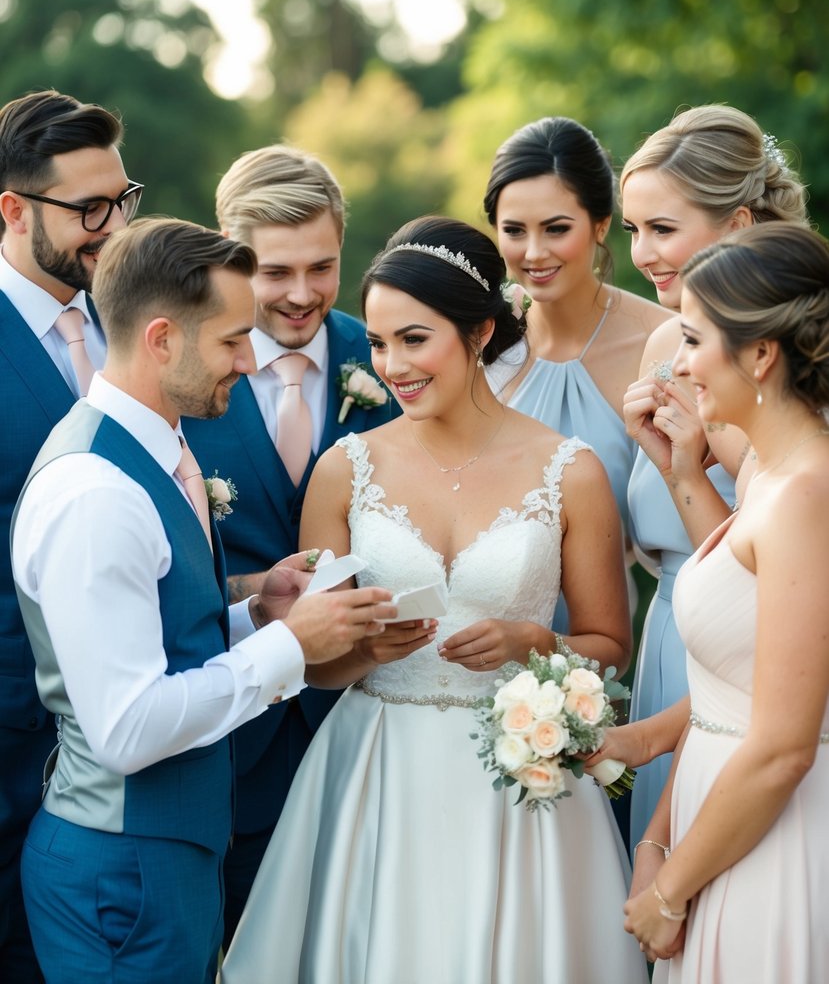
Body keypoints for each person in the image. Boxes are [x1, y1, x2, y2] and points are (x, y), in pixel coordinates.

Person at [222, 216, 648, 984]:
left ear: (480, 329)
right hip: (376, 775)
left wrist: (533, 643)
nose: (392, 366)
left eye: (414, 340)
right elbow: (317, 668)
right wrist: (357, 652)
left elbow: (610, 648)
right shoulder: (343, 469)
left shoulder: (569, 470)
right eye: (380, 344)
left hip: (521, 786)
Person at [11, 217, 396, 984]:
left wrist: (256, 612)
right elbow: (128, 727)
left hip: (162, 858)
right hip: (121, 875)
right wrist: (292, 647)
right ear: (161, 339)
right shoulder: (97, 494)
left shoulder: (158, 451)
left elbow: (152, 636)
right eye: (229, 341)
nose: (250, 361)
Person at [183, 144, 398, 944]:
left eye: (323, 266)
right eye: (275, 273)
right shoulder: (180, 372)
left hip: (370, 726)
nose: (302, 295)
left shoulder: (390, 355)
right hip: (234, 741)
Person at [623, 222, 829, 980]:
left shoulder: (807, 492)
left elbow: (780, 746)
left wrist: (668, 894)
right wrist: (678, 467)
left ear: (760, 354)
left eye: (691, 340)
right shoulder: (768, 476)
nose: (677, 366)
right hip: (722, 823)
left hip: (773, 837)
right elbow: (744, 647)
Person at [618, 105, 808, 849]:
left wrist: (692, 470)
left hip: (754, 664)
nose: (641, 253)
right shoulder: (667, 344)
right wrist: (679, 471)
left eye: (660, 229)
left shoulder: (791, 372)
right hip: (670, 636)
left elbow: (759, 582)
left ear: (736, 223)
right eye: (631, 230)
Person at [0, 88, 134, 983]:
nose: (114, 226)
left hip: (131, 762)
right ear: (12, 211)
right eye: (90, 209)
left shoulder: (139, 325)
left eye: (124, 200)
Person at [484, 116, 670, 532]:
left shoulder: (663, 341)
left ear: (601, 224)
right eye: (514, 230)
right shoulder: (479, 344)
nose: (533, 253)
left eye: (556, 229)